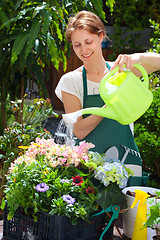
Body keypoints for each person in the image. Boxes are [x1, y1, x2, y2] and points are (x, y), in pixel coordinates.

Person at [55, 10, 160, 185]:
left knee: (130, 213)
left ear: (101, 36)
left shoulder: (122, 72)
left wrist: (138, 56)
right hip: (89, 170)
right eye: (77, 44)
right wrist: (109, 107)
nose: (83, 50)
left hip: (127, 164)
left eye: (88, 42)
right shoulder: (71, 81)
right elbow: (78, 130)